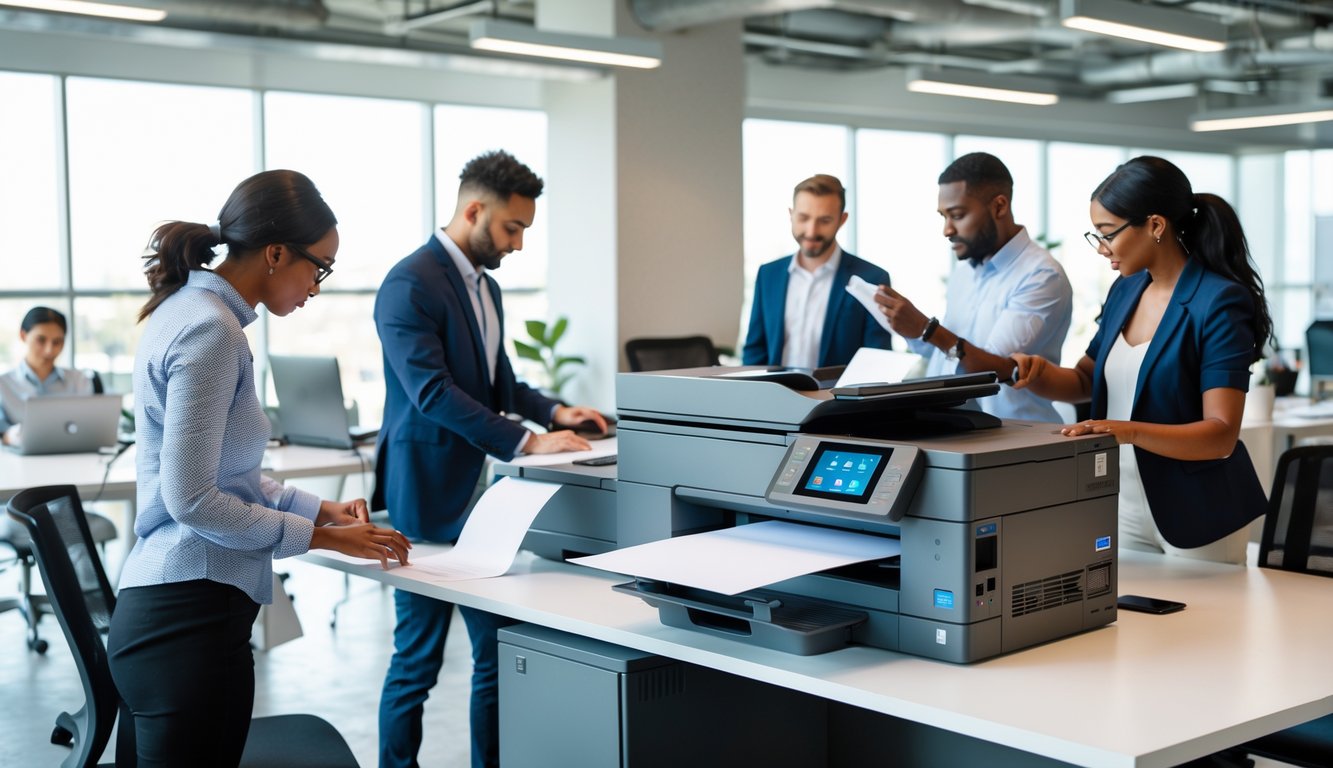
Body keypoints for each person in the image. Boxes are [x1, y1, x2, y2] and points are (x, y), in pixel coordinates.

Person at [107, 169, 411, 766]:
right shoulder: (210, 330)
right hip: (187, 627)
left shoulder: (189, 310)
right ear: (275, 253)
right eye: (318, 267)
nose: (317, 287)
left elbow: (222, 473)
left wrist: (316, 507)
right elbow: (192, 499)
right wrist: (320, 537)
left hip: (168, 620)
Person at [374, 150, 606, 768]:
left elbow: (498, 380)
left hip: (485, 503)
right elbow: (432, 393)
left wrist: (557, 414)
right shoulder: (410, 282)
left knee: (497, 654)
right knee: (417, 661)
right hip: (425, 498)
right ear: (474, 210)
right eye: (512, 228)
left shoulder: (486, 286)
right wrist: (527, 441)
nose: (519, 243)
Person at [1011, 155, 1272, 564]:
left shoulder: (1218, 302)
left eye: (1107, 233)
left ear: (1155, 225)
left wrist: (1126, 431)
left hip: (1198, 511)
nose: (1101, 248)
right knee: (1126, 626)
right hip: (1121, 502)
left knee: (1207, 628)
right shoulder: (1125, 290)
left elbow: (1221, 434)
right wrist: (1040, 375)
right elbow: (1085, 380)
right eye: (1094, 234)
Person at [874, 152, 1073, 422]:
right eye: (943, 216)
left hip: (1015, 439)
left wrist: (927, 328)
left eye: (957, 215)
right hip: (953, 430)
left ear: (999, 207)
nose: (947, 229)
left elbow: (990, 372)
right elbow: (946, 355)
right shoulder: (963, 274)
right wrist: (909, 328)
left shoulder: (1041, 275)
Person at [743, 174, 893, 369]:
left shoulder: (872, 278)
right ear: (791, 215)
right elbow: (755, 351)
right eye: (803, 218)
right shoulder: (768, 274)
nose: (811, 231)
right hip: (774, 396)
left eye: (824, 220)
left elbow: (877, 361)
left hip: (838, 398)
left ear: (842, 220)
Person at [0, 306, 96, 447]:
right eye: (41, 340)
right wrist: (9, 435)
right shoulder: (3, 385)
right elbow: (3, 433)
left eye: (57, 342)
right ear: (23, 335)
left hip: (73, 460)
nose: (49, 350)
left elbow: (93, 427)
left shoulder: (80, 381)